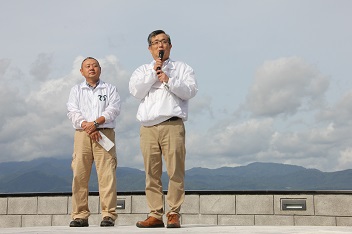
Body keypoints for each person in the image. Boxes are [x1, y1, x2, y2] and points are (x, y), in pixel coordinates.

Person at [129, 30, 198, 228]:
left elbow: (190, 91)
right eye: (156, 42)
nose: (161, 45)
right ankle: (155, 214)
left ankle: (174, 213)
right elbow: (135, 91)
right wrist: (154, 73)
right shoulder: (142, 70)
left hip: (172, 123)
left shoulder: (182, 68)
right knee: (152, 173)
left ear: (170, 45)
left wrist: (168, 79)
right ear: (150, 48)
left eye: (164, 41)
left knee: (176, 170)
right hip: (148, 126)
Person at [67, 57, 121, 227]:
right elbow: (72, 110)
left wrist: (96, 123)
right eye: (87, 66)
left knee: (107, 174)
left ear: (100, 69)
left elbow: (113, 109)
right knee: (79, 174)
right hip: (82, 134)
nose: (91, 68)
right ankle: (80, 215)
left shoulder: (110, 88)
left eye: (95, 65)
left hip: (104, 133)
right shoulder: (76, 90)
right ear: (81, 71)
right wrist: (86, 125)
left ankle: (108, 214)